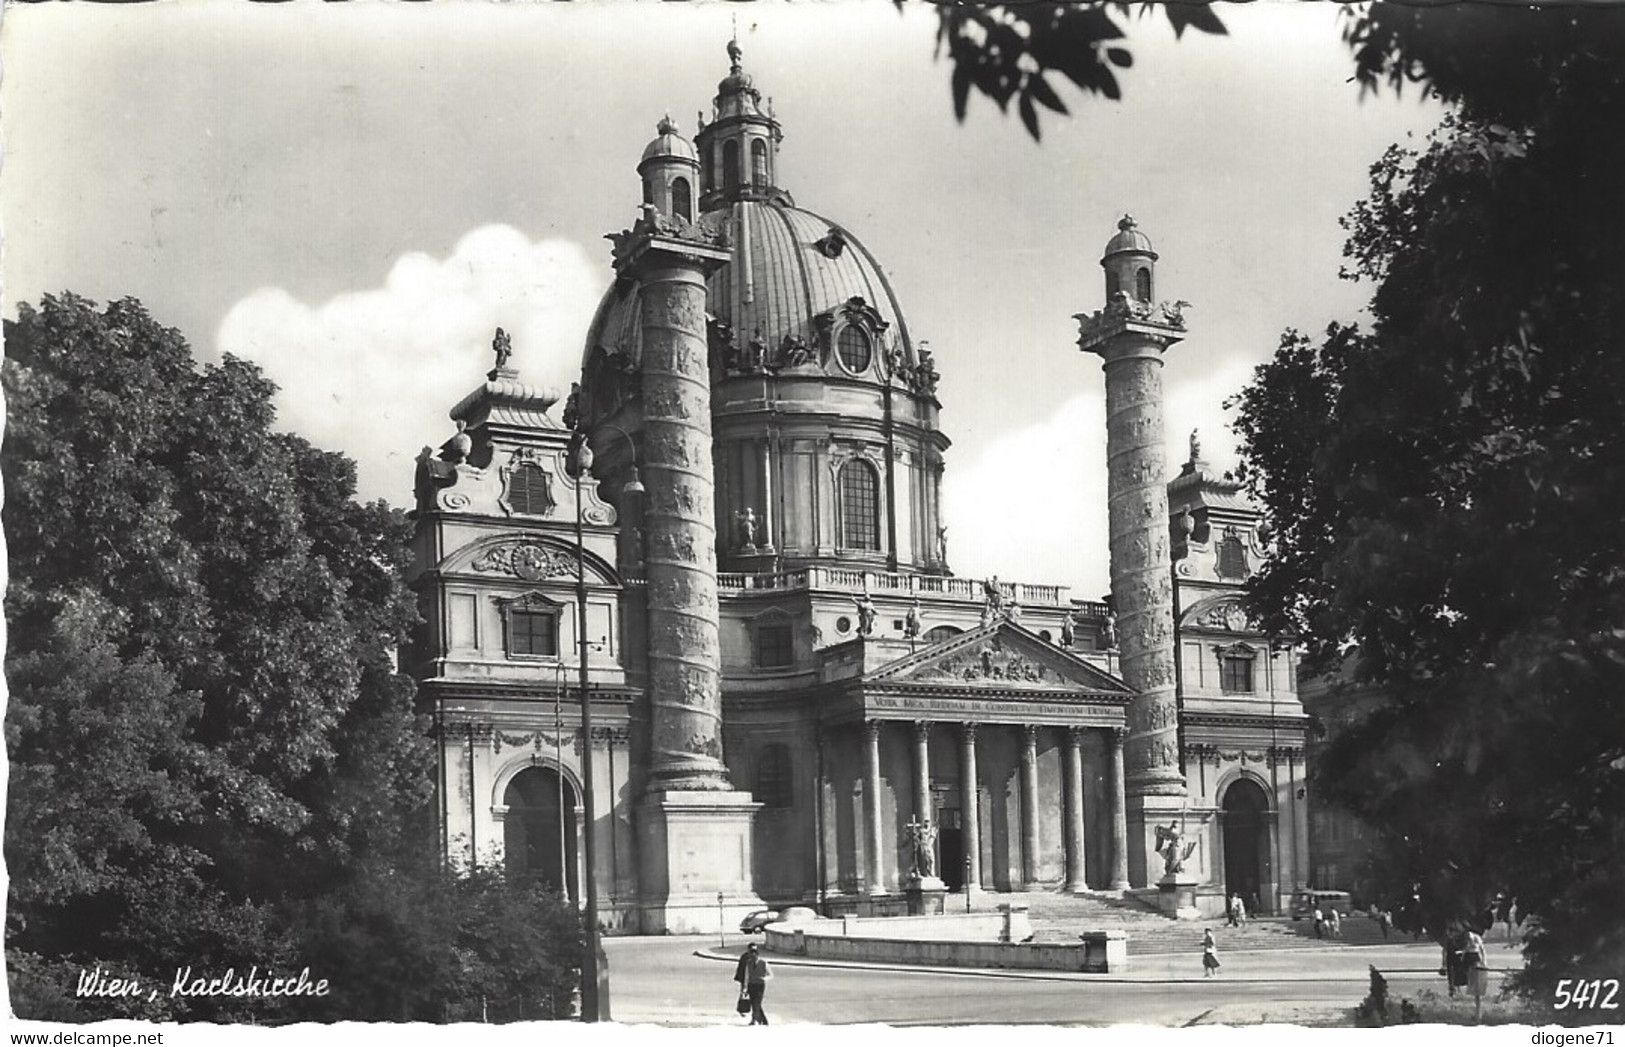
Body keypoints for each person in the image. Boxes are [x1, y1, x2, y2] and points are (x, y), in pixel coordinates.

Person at [734, 942, 773, 1025]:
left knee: (757, 1003)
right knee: (754, 1003)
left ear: (757, 955)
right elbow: (745, 974)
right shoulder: (747, 961)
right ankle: (762, 1020)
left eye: (754, 954)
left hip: (760, 985)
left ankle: (755, 1020)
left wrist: (764, 979)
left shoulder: (763, 963)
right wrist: (744, 987)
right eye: (752, 953)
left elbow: (770, 974)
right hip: (751, 984)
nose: (753, 956)